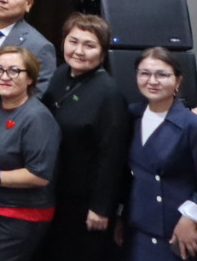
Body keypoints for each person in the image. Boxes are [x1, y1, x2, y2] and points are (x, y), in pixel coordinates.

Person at [37, 13, 126, 261]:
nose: (79, 51)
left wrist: (101, 208)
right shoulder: (60, 74)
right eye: (73, 41)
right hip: (54, 192)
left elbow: (112, 157)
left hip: (84, 203)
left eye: (89, 45)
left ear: (103, 52)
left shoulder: (109, 94)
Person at [0, 45, 60, 261]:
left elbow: (39, 175)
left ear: (30, 78)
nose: (4, 76)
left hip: (21, 216)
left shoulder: (37, 118)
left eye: (14, 71)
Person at [125, 47, 197, 261]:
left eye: (162, 74)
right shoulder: (132, 115)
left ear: (178, 81)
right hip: (140, 227)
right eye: (144, 73)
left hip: (179, 232)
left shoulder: (190, 124)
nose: (152, 81)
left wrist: (190, 217)